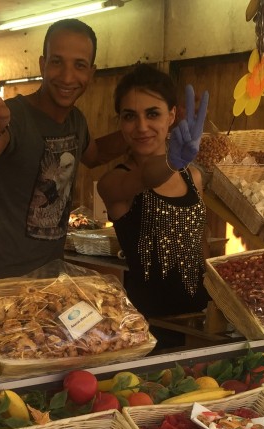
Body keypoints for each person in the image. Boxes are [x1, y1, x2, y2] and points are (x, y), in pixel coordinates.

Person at [0, 19, 125, 279]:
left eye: (79, 65)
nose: (68, 76)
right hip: (5, 283)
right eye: (57, 62)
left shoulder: (76, 121)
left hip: (52, 279)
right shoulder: (14, 116)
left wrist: (144, 130)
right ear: (42, 64)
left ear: (91, 73)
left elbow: (95, 155)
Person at [97, 64, 210, 327]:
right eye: (129, 116)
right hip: (148, 326)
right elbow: (145, 177)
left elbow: (200, 243)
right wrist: (171, 161)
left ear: (171, 116)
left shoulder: (193, 177)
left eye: (152, 114)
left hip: (200, 320)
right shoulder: (114, 182)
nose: (141, 126)